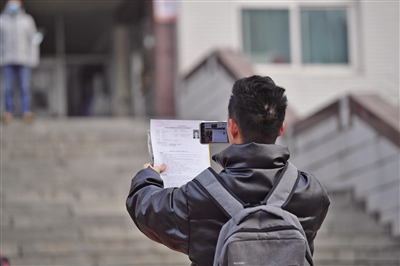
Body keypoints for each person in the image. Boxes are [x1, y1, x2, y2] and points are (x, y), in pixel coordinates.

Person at [126, 75, 330, 266]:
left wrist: (148, 176)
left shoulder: (198, 195)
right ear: (281, 129)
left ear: (232, 127)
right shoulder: (311, 192)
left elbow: (145, 208)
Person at [0, 0, 39, 123]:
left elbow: (33, 40)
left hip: (24, 60)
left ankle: (26, 112)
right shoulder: (1, 20)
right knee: (7, 88)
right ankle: (8, 113)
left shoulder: (27, 20)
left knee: (25, 87)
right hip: (7, 60)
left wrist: (33, 58)